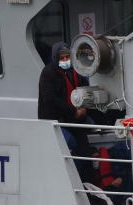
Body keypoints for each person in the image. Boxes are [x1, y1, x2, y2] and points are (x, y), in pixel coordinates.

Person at [38, 42, 96, 178]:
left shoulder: (75, 71)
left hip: (74, 118)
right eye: (62, 58)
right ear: (55, 58)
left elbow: (84, 89)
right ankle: (74, 180)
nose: (65, 60)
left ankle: (88, 183)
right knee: (71, 145)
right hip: (56, 119)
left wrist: (83, 108)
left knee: (84, 150)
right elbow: (50, 99)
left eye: (67, 57)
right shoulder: (48, 73)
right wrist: (73, 111)